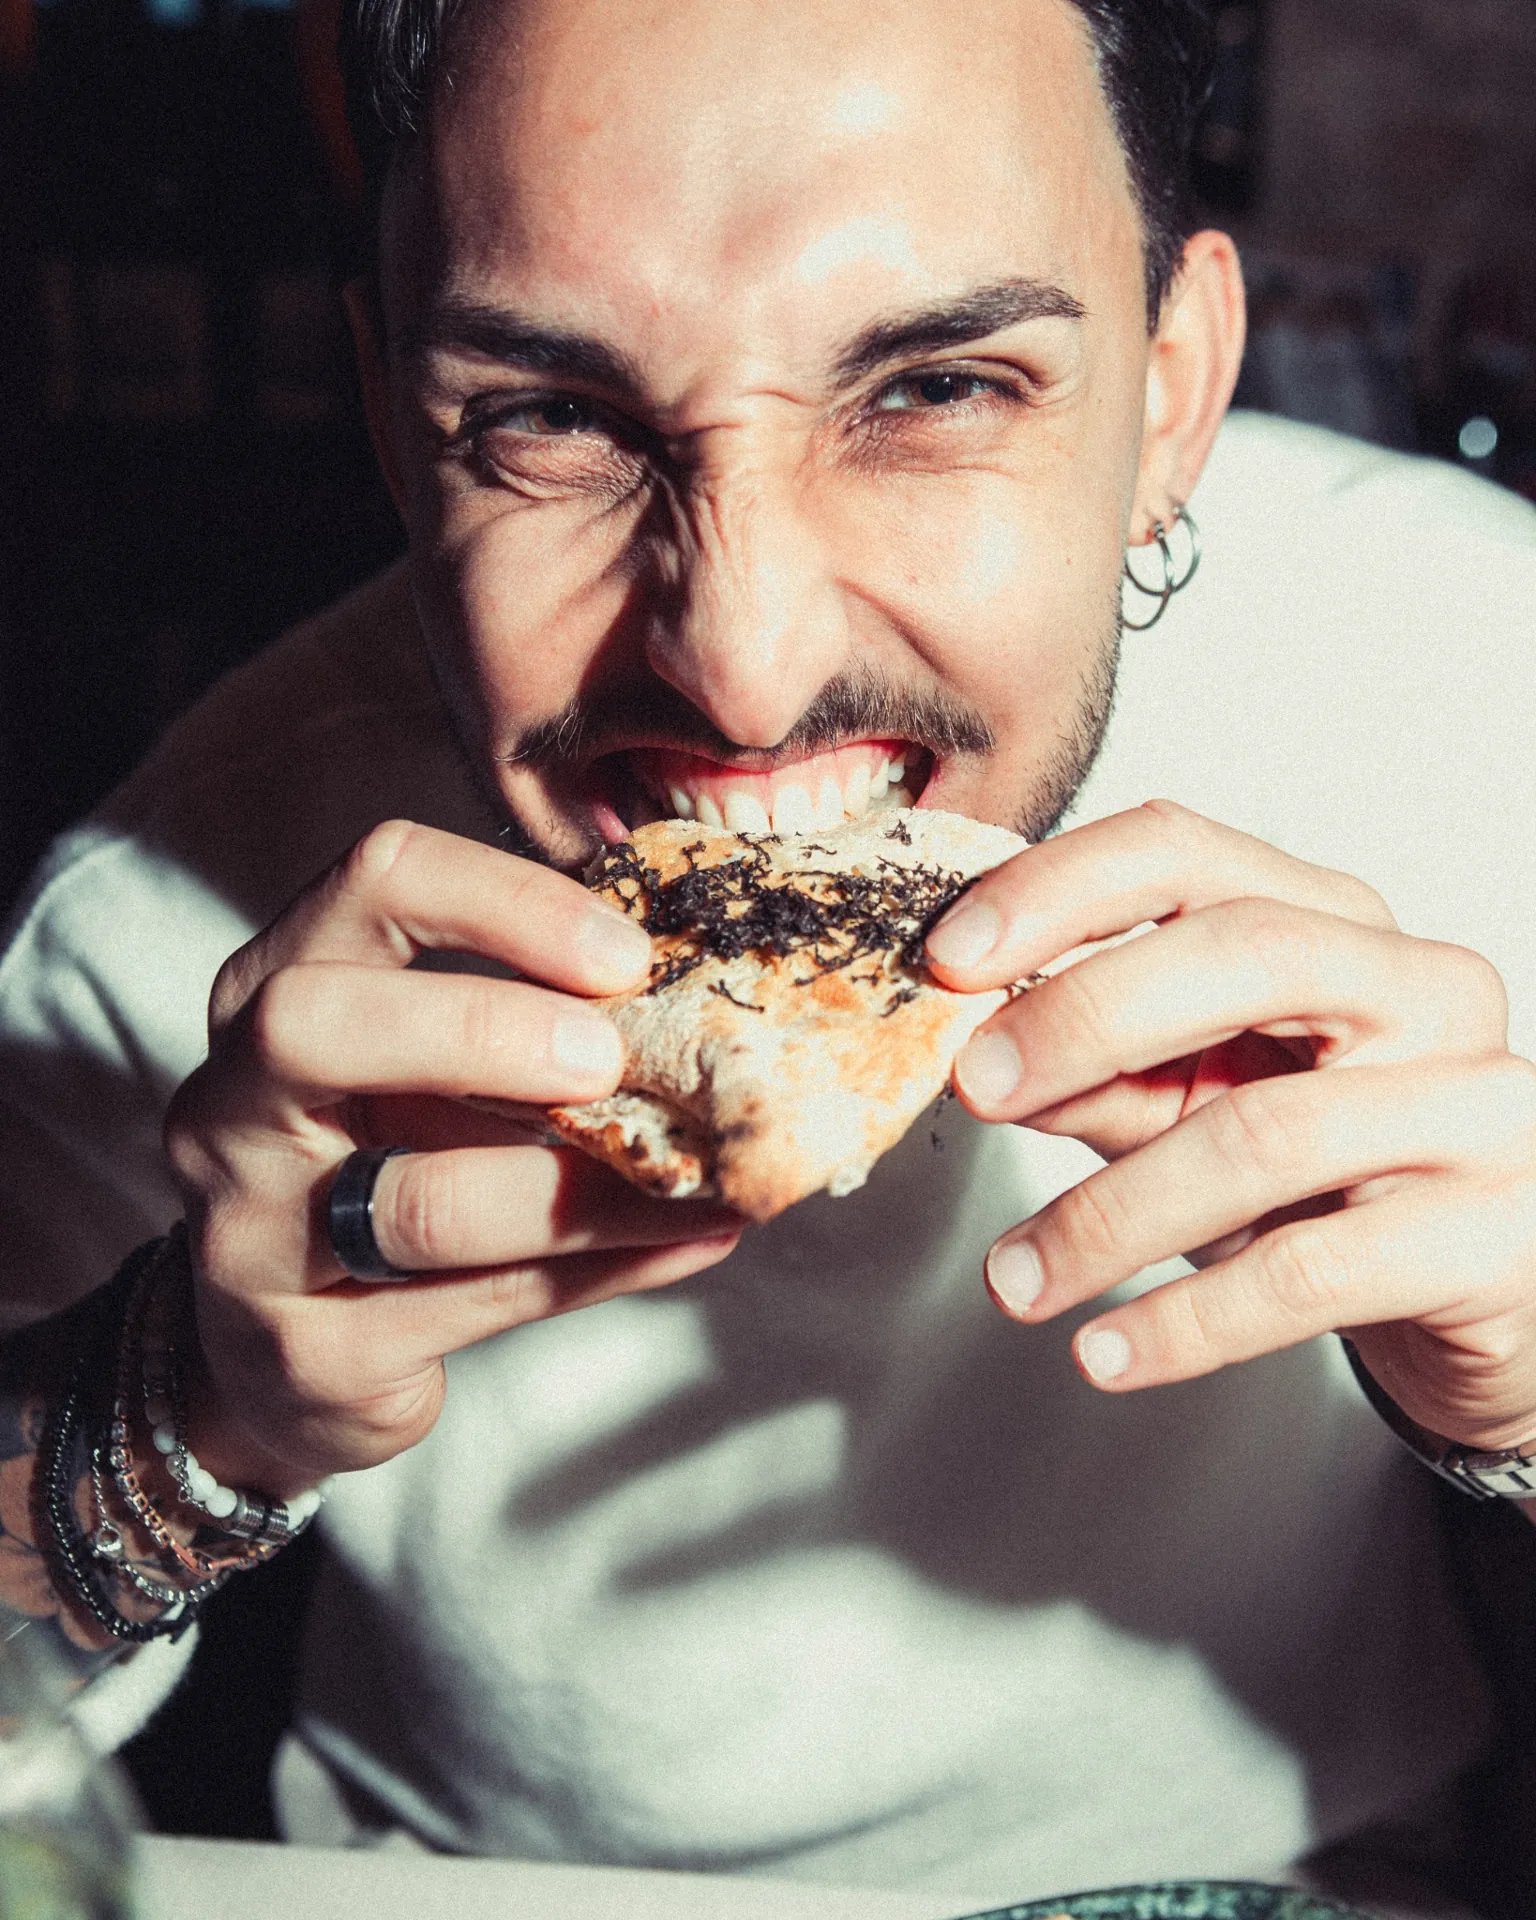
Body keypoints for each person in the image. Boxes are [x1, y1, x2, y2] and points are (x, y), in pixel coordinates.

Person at [2, 0, 1536, 1909]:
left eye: (938, 386)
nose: (740, 668)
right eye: (554, 417)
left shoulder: (1480, 675)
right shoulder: (162, 908)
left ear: (1171, 390)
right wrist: (174, 1407)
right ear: (398, 430)